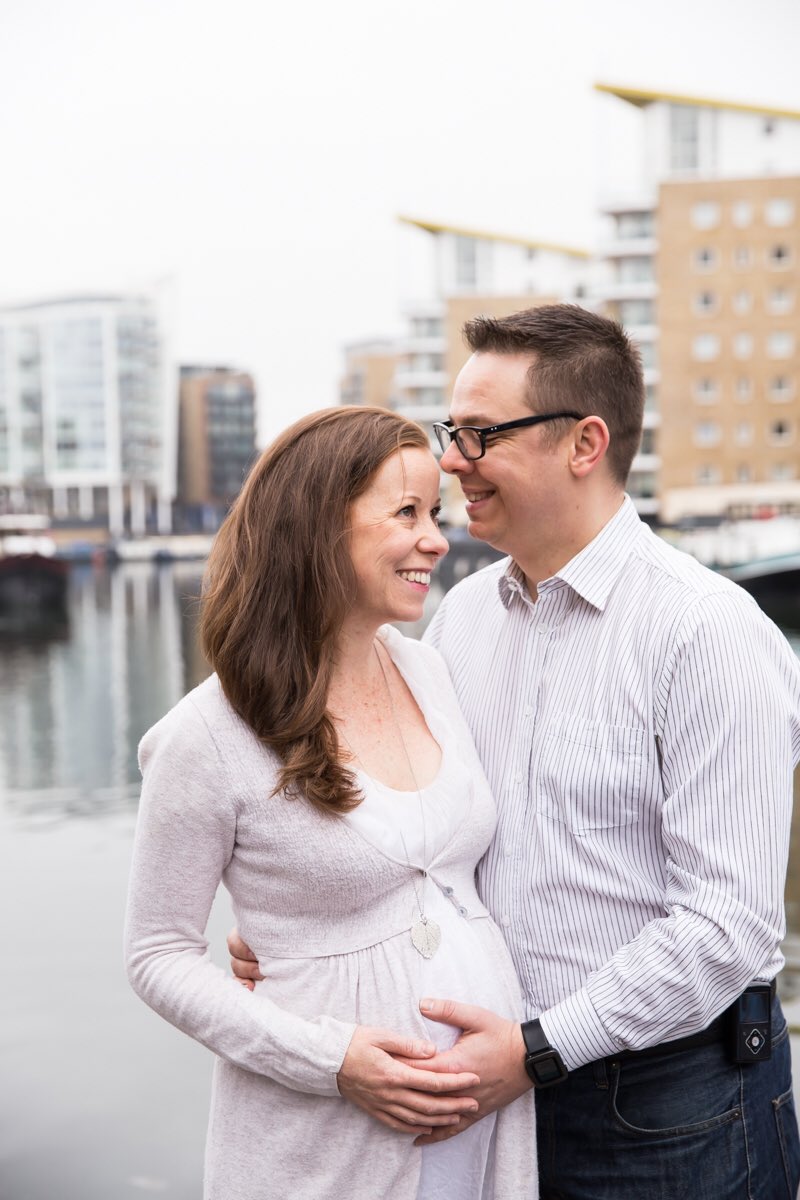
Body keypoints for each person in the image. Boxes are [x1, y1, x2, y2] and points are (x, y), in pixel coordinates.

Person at [231, 305, 800, 1199]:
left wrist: (535, 1051)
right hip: (491, 1093)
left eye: (480, 434)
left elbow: (730, 923)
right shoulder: (459, 621)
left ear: (585, 443)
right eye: (452, 431)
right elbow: (427, 837)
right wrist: (303, 928)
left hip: (672, 1109)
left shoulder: (707, 634)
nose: (453, 460)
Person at [124, 405, 537, 1200]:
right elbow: (157, 957)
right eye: (406, 513)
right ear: (318, 528)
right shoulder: (205, 735)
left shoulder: (429, 672)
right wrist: (331, 1060)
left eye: (436, 514)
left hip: (480, 1133)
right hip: (322, 1148)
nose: (437, 540)